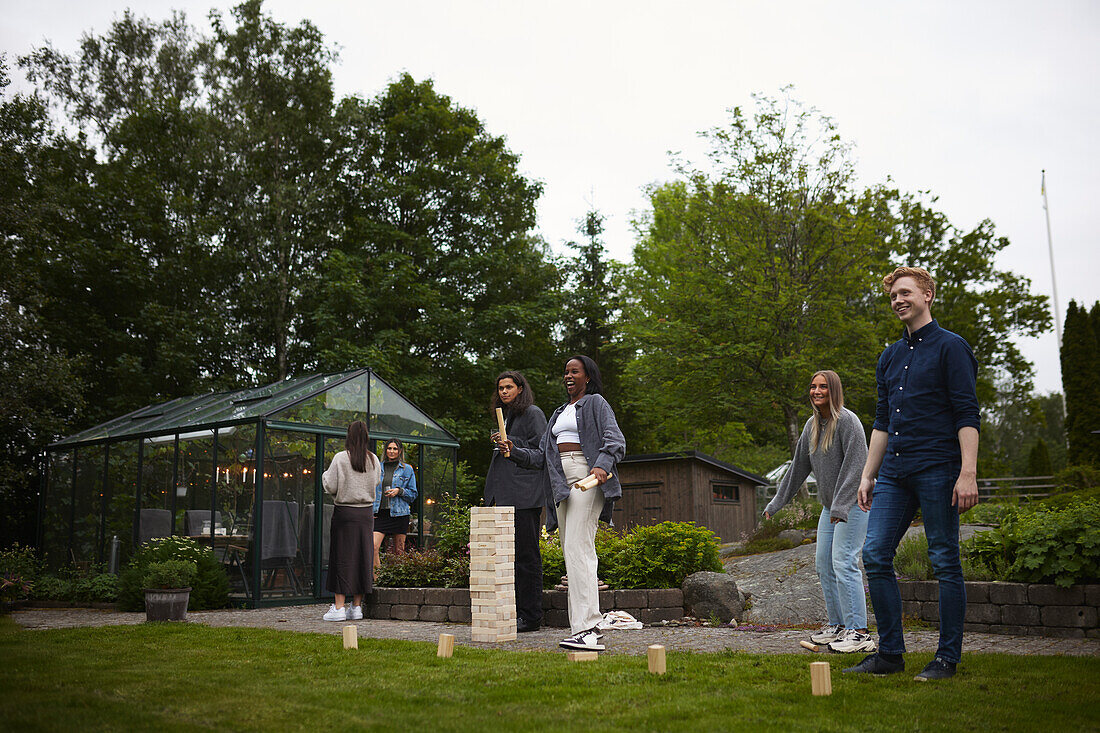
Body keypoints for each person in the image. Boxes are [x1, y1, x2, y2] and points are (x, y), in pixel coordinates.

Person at [845, 266, 980, 681]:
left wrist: (968, 472)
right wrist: (868, 475)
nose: (898, 300)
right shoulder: (889, 356)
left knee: (944, 560)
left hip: (940, 469)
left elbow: (967, 413)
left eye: (906, 293)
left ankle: (946, 658)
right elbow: (882, 422)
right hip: (894, 473)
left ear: (927, 295)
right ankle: (890, 654)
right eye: (893, 296)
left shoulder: (951, 348)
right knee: (874, 554)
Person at [499, 355, 625, 652]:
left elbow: (615, 439)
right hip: (560, 483)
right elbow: (541, 456)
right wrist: (513, 450)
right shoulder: (558, 412)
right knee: (573, 552)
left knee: (578, 547)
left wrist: (602, 465)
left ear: (588, 377)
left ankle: (589, 628)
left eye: (575, 371)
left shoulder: (596, 403)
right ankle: (581, 628)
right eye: (566, 372)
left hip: (586, 476)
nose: (568, 376)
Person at [764, 370, 872, 653]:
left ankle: (859, 633)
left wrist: (839, 506)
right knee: (824, 564)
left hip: (853, 504)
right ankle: (838, 626)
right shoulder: (812, 426)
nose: (816, 391)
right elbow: (797, 467)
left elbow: (856, 466)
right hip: (830, 507)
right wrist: (776, 504)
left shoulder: (848, 422)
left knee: (844, 561)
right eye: (813, 386)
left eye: (823, 386)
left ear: (833, 390)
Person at [485, 370, 550, 632]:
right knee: (506, 558)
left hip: (524, 496)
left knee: (526, 557)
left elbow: (540, 454)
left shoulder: (533, 413)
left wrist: (513, 447)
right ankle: (514, 612)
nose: (503, 392)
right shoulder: (506, 416)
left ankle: (532, 617)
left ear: (520, 389)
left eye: (509, 387)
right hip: (504, 495)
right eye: (500, 388)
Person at [321, 420, 381, 622]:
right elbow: (377, 482)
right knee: (363, 557)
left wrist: (323, 476)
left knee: (341, 557)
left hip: (345, 513)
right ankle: (356, 607)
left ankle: (338, 607)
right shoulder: (374, 460)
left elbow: (330, 485)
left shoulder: (340, 458)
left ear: (349, 436)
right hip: (365, 514)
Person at [373, 439, 418, 569]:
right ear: (385, 450)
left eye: (395, 449)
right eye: (389, 448)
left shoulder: (407, 469)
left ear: (400, 451)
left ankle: (396, 581)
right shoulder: (377, 468)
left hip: (400, 514)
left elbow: (413, 494)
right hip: (380, 514)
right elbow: (370, 490)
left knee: (399, 552)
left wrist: (399, 491)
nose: (392, 451)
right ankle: (378, 580)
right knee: (373, 547)